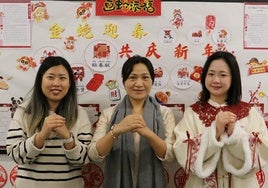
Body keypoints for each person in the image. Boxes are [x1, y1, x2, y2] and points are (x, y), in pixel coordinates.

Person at [173, 51, 268, 188]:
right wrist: (215, 132)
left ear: (233, 78)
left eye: (223, 75)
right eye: (211, 74)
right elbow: (183, 154)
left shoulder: (249, 112)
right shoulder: (193, 113)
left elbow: (263, 151)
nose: (215, 80)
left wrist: (235, 134)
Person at [88, 55, 176, 188]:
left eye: (145, 77)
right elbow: (94, 154)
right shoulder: (109, 113)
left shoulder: (164, 113)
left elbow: (170, 155)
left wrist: (147, 133)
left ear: (152, 80)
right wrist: (116, 130)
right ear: (124, 81)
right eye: (133, 77)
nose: (139, 84)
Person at [6, 56, 93, 188]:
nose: (56, 83)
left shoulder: (79, 114)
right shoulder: (24, 111)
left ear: (70, 83)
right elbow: (15, 155)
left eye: (62, 78)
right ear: (40, 80)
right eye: (50, 77)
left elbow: (85, 159)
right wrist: (41, 136)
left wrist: (67, 137)